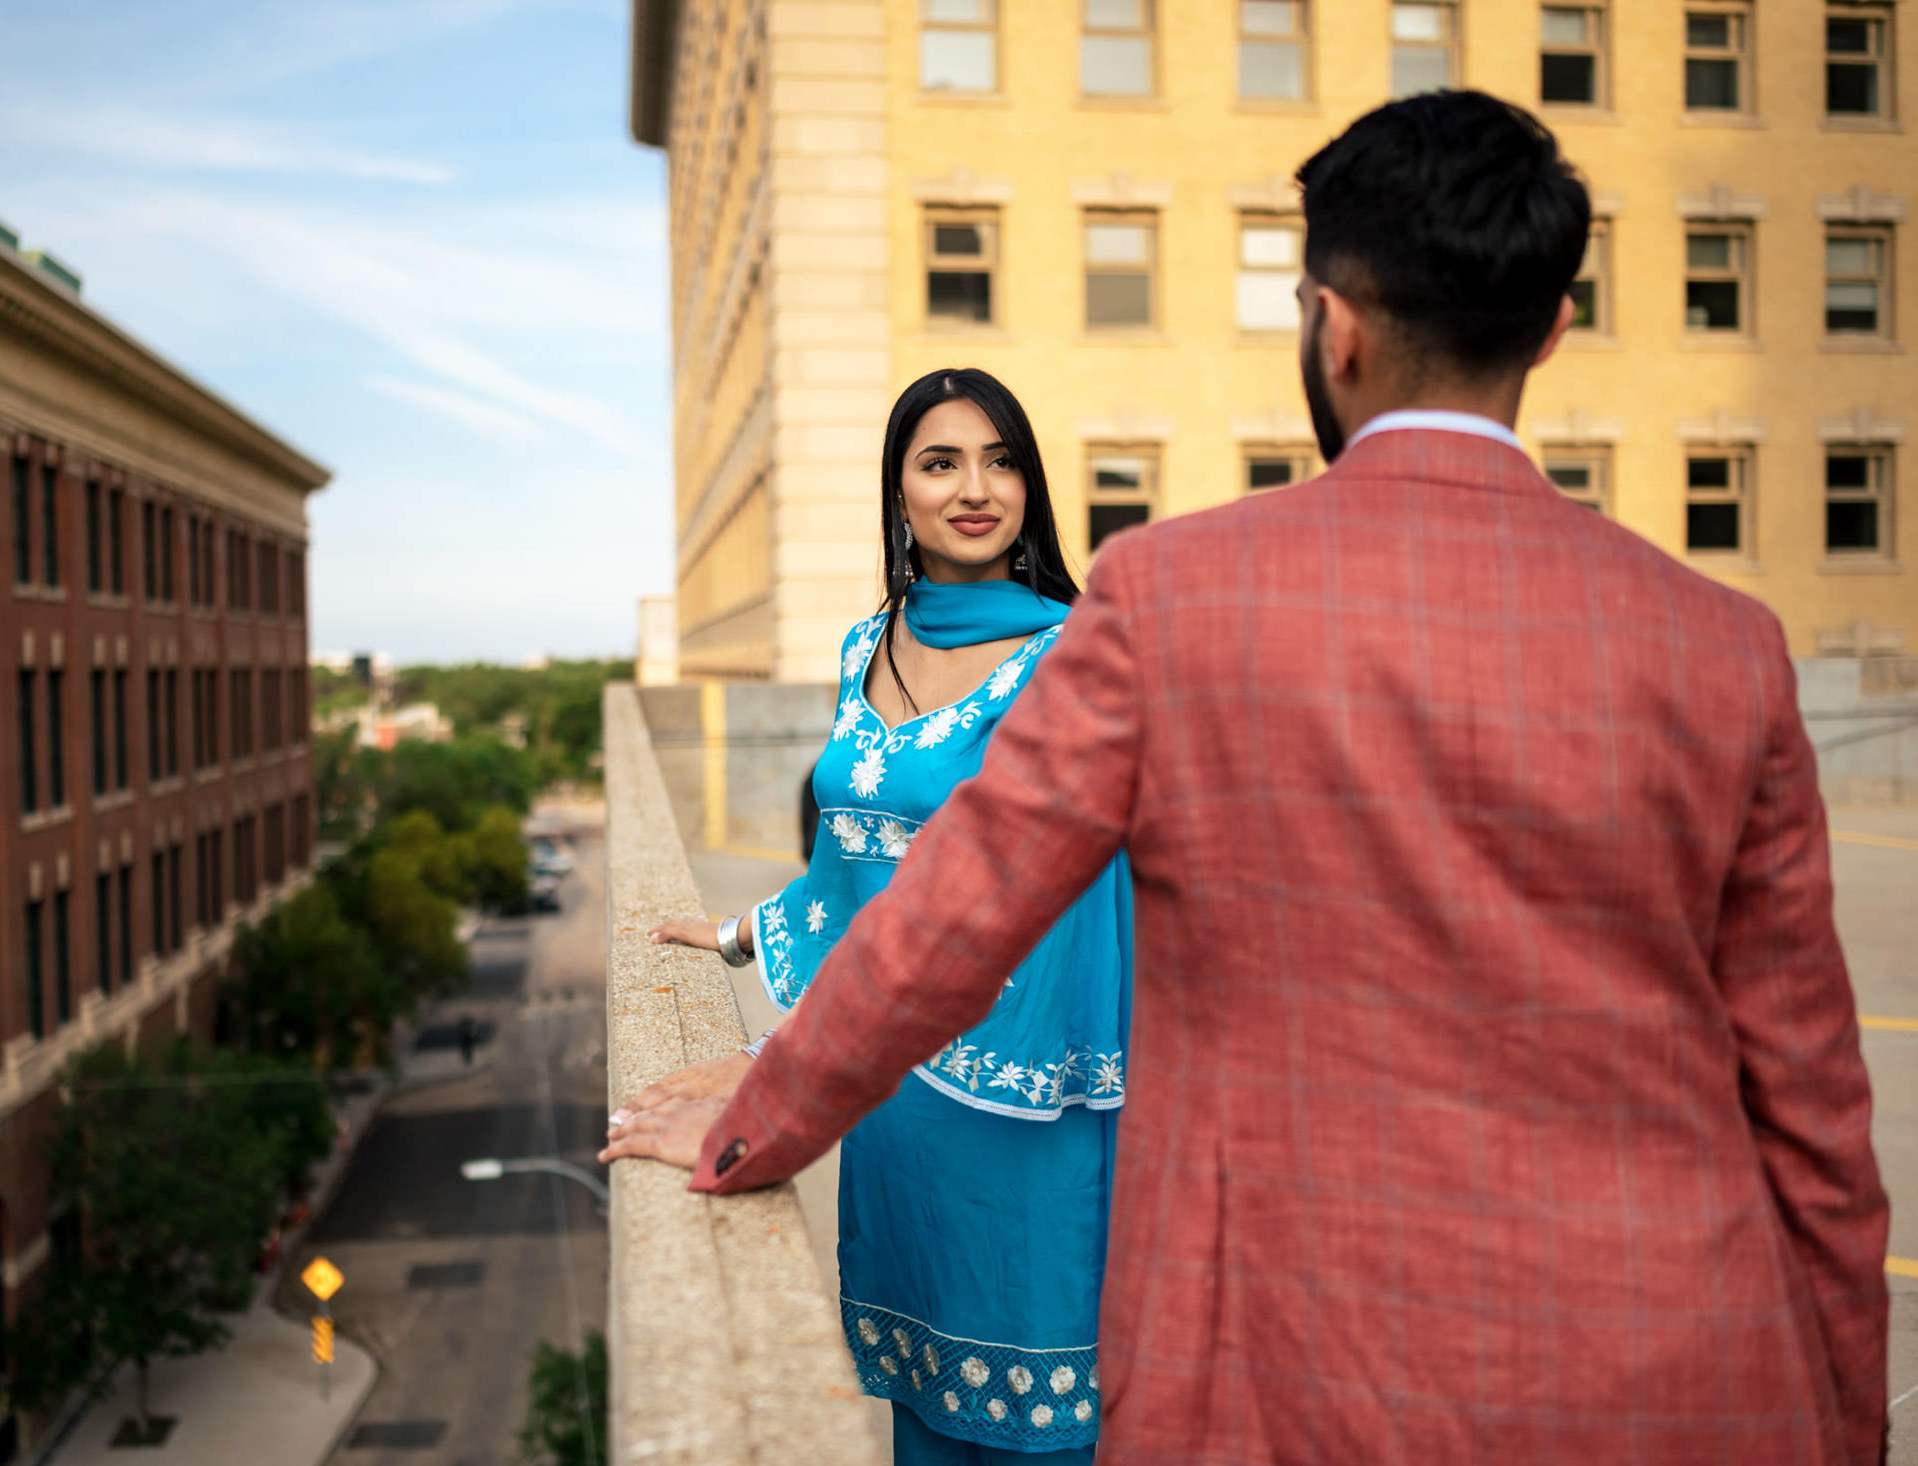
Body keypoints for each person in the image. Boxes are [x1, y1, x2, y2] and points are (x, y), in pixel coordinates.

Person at [600, 92, 1890, 1465]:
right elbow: (1812, 1114)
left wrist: (754, 1117)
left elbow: (947, 926)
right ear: (1556, 328)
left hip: (1302, 1376)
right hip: (1681, 1376)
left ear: (1332, 327)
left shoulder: (1170, 596)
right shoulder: (1728, 646)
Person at [606, 368, 1133, 1465]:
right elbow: (854, 857)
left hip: (1020, 1099)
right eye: (941, 461)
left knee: (1038, 1423)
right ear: (899, 491)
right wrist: (744, 930)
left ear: (1031, 486)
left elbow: (1057, 909)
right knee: (923, 1416)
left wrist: (785, 1055)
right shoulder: (867, 644)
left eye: (1000, 461)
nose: (974, 487)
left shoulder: (1074, 655)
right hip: (900, 1120)